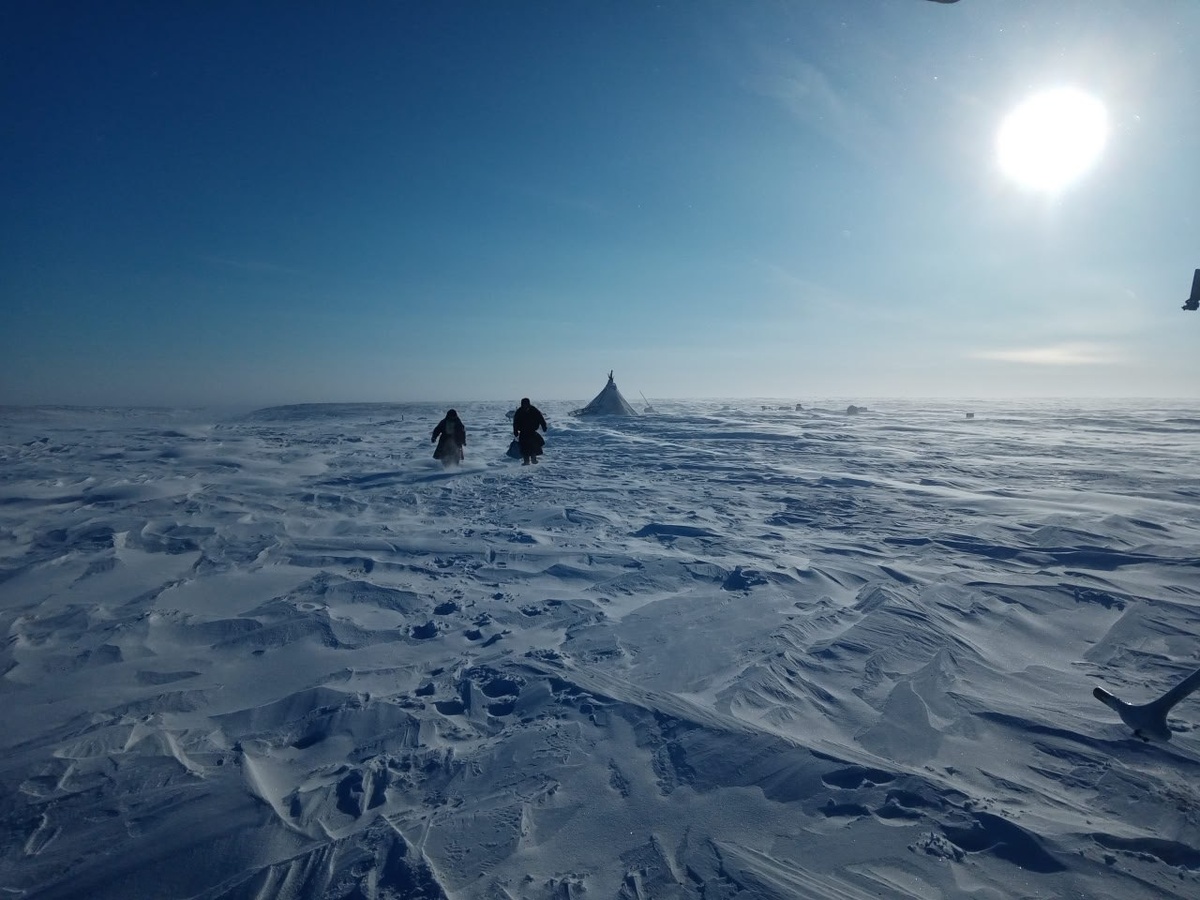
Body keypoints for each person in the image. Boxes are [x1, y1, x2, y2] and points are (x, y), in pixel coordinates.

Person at [512, 397, 547, 465]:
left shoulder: (534, 410)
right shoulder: (519, 411)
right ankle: (526, 461)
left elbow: (540, 418)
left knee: (533, 446)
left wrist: (544, 426)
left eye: (526, 404)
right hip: (523, 432)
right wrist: (515, 431)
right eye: (523, 404)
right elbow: (515, 422)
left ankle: (534, 459)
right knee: (524, 447)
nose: (525, 405)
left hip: (532, 432)